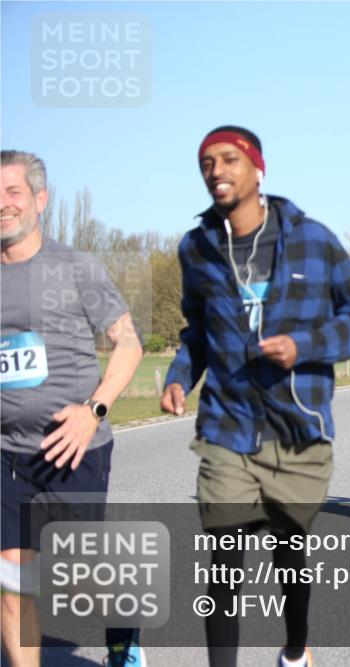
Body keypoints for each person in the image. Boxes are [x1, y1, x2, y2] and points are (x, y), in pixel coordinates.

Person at [160, 126, 350, 667]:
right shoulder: (197, 248)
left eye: (229, 159)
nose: (216, 171)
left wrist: (303, 346)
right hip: (227, 424)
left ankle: (295, 647)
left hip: (297, 425)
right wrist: (177, 376)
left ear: (259, 168)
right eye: (206, 162)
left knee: (288, 553)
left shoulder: (314, 240)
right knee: (225, 560)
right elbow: (196, 332)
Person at [1, 150, 145, 666]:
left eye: (13, 192)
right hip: (6, 453)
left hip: (75, 442)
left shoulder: (75, 267)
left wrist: (95, 409)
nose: (2, 204)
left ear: (40, 199)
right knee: (14, 580)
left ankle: (124, 641)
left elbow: (128, 344)